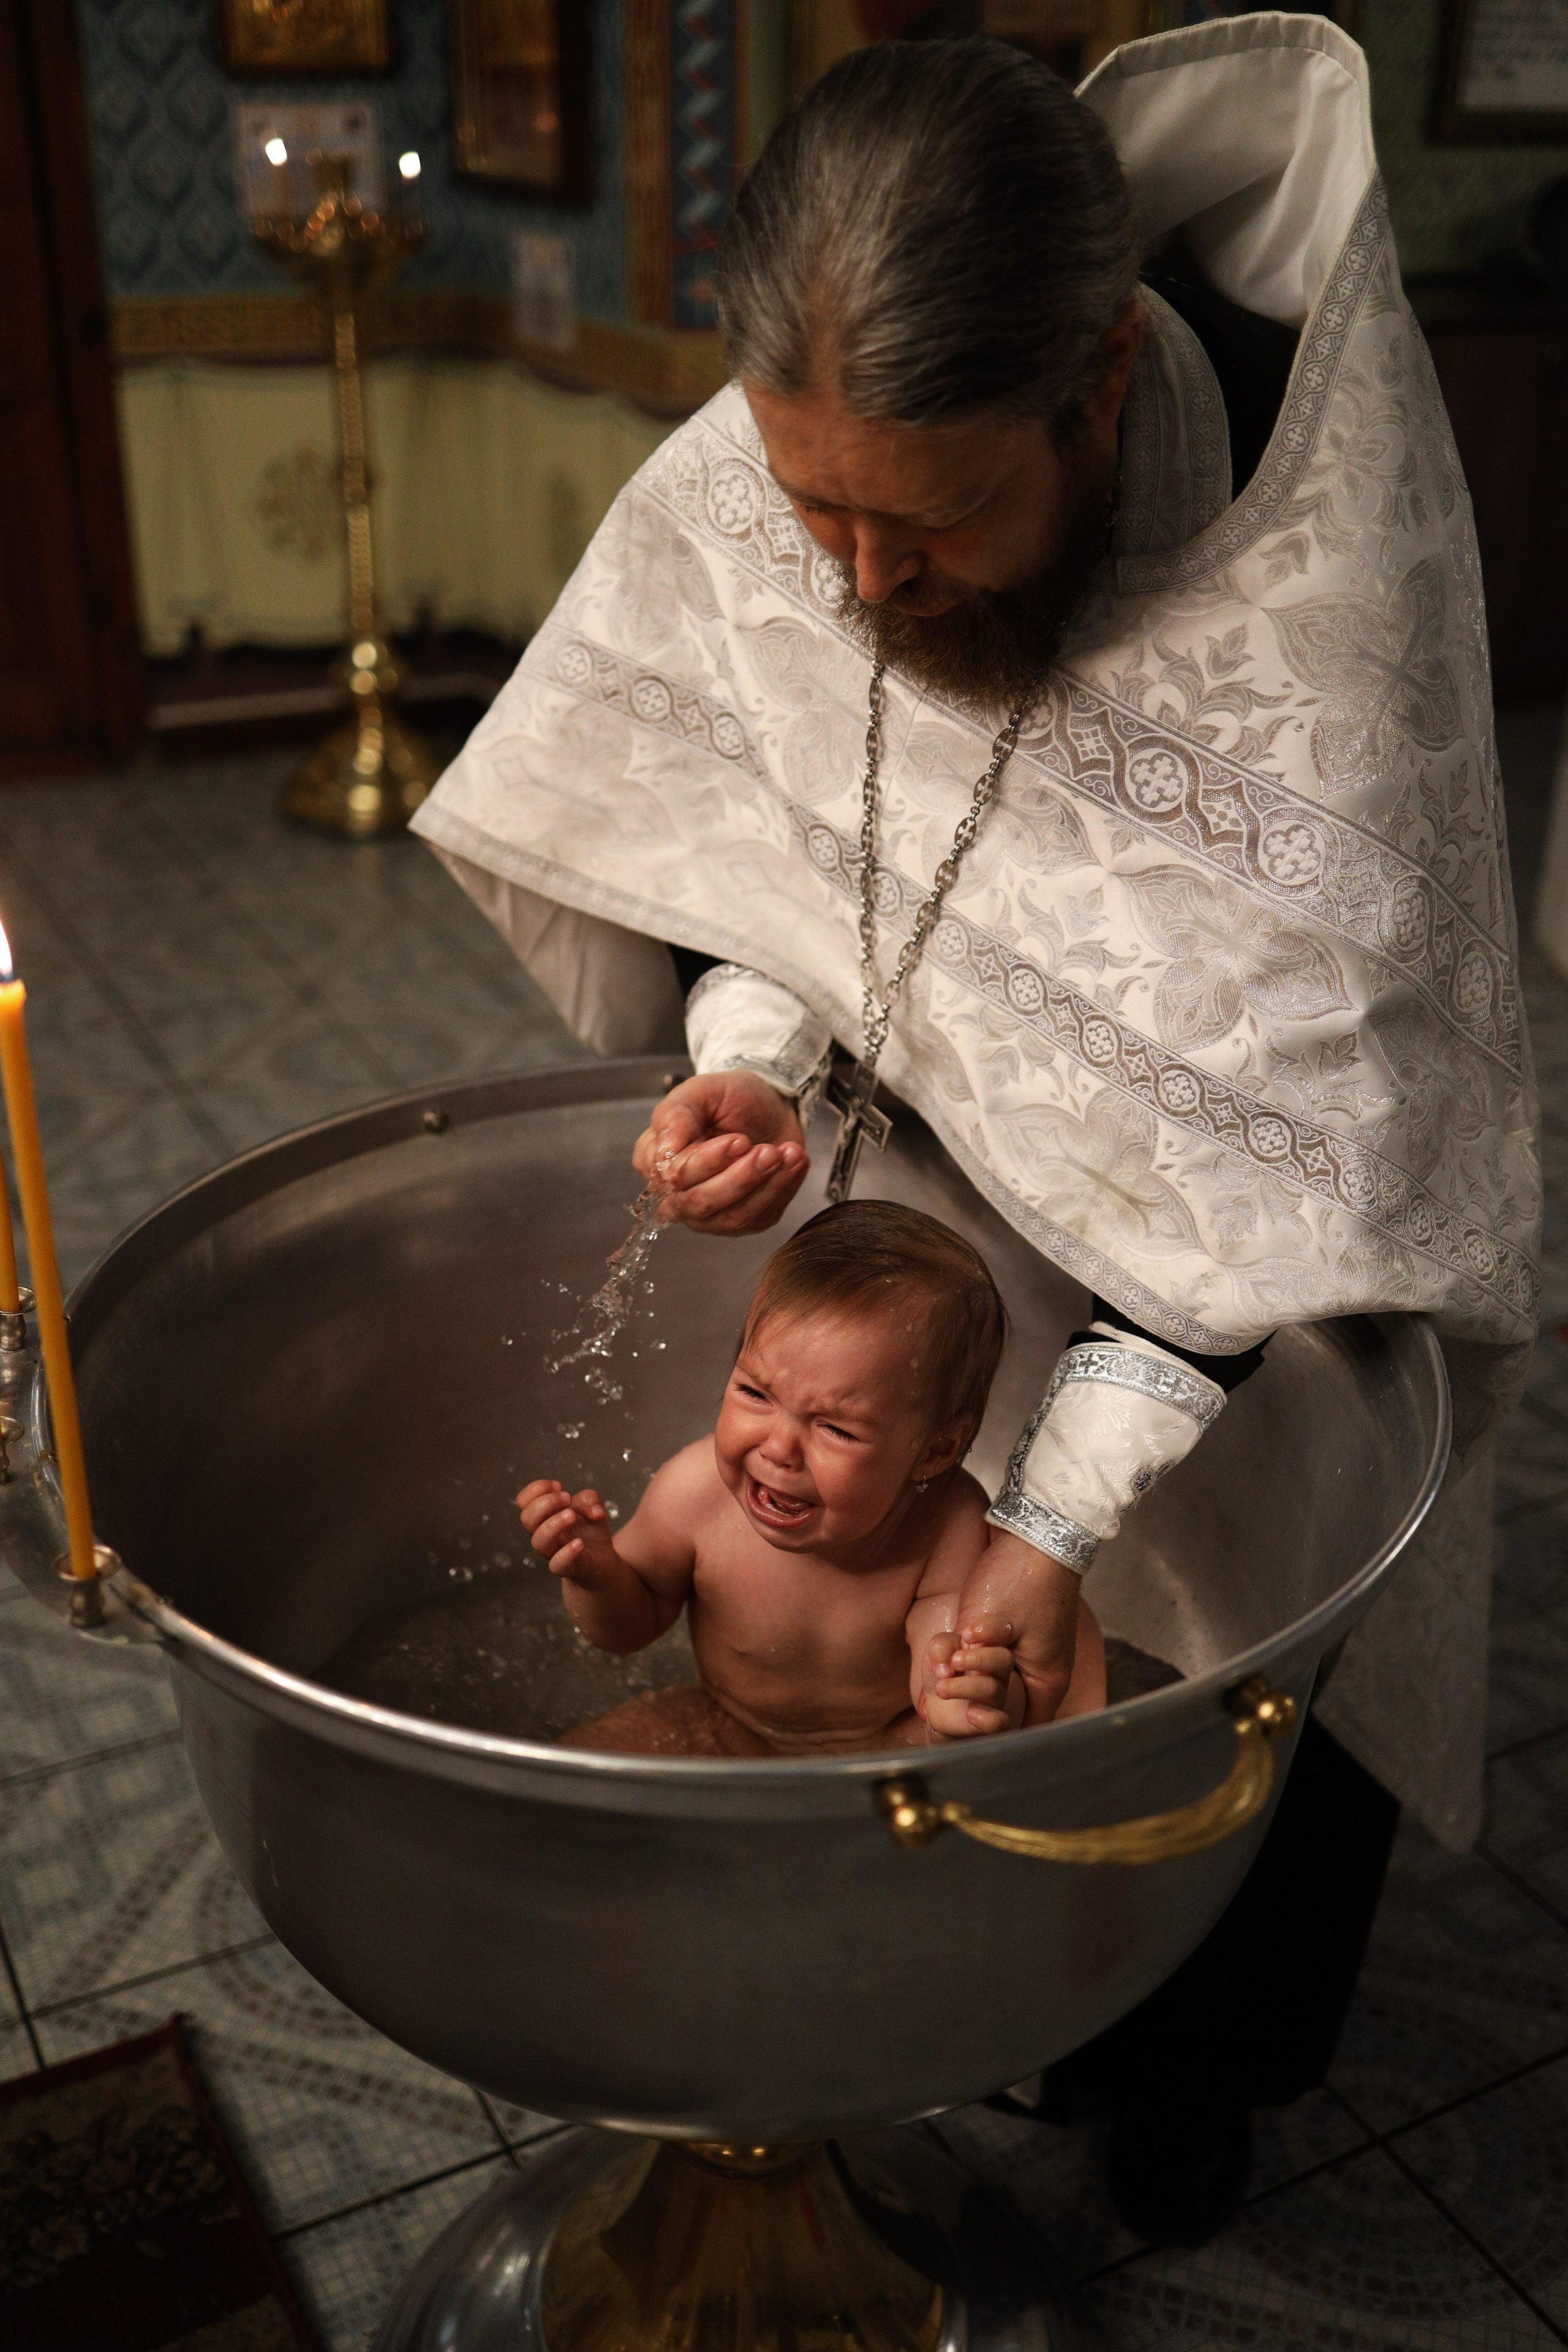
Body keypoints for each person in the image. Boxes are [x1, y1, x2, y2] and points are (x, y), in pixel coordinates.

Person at [415, 20, 1540, 2242]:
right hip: (909, 1225)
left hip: (1226, 1304)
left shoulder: (1310, 612)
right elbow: (775, 852)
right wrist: (755, 1063)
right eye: (806, 511)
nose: (853, 580)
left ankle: (1183, 2070)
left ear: (1096, 391)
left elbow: (1295, 1153)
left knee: (1199, 1715)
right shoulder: (812, 449)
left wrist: (1050, 1515)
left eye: (923, 524)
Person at [519, 1200, 1106, 1756]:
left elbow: (942, 1669)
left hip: (886, 1747)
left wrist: (968, 1699)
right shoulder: (694, 1492)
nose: (778, 1449)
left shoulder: (945, 1525)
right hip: (727, 1725)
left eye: (836, 1430)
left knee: (1037, 1676)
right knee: (574, 1770)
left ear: (935, 1450)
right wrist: (595, 1577)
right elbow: (626, 1629)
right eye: (755, 1393)